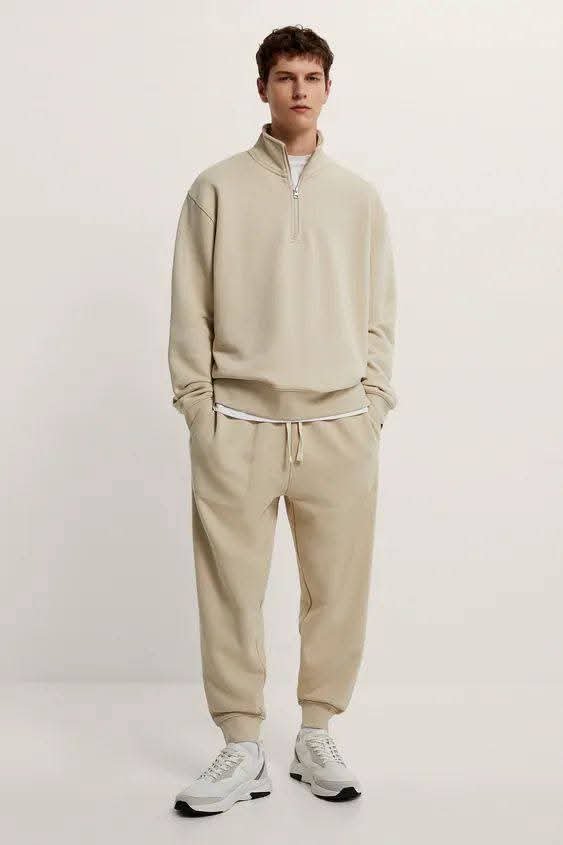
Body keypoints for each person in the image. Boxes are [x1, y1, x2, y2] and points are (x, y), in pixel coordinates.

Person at [168, 25, 398, 816]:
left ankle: (315, 732)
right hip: (237, 422)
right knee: (230, 590)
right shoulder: (215, 189)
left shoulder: (358, 198)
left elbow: (378, 313)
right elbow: (189, 307)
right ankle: (241, 744)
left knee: (336, 591)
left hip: (339, 425)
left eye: (311, 76)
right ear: (262, 88)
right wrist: (198, 410)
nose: (298, 89)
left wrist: (373, 404)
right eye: (284, 76)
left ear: (328, 88)